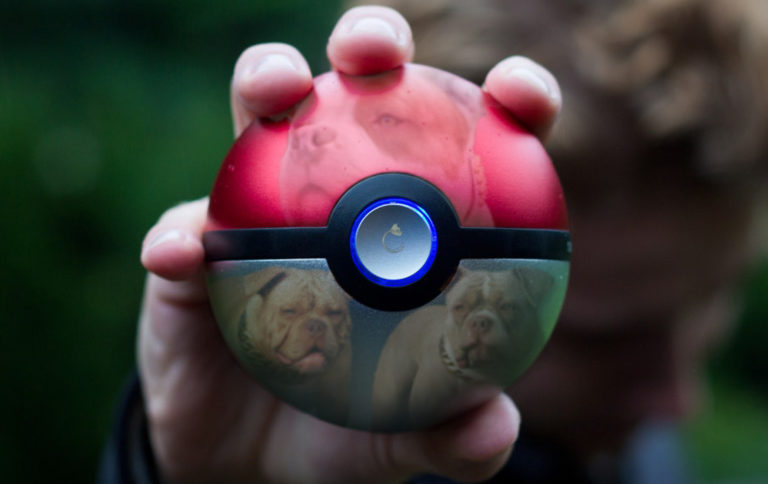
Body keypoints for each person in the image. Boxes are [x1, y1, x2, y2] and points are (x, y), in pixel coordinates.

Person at [99, 2, 768, 483]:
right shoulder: (326, 434)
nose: (680, 400)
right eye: (606, 342)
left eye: (711, 299)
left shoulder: (626, 448)